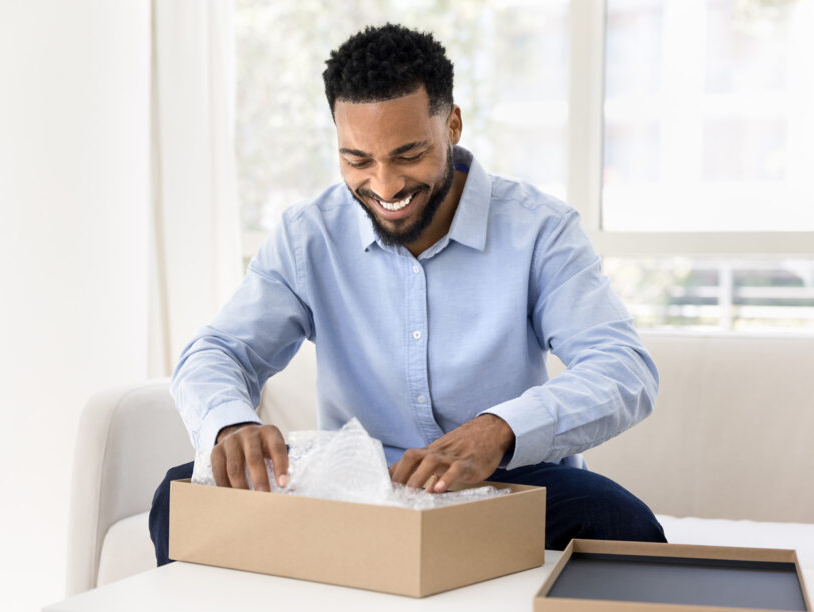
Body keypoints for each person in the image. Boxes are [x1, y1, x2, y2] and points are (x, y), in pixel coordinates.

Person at [149, 23, 666, 566]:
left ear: (453, 126)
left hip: (503, 482)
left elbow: (622, 369)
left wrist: (501, 430)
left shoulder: (540, 230)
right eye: (358, 160)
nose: (386, 185)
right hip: (356, 492)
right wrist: (232, 423)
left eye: (408, 154)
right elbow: (217, 352)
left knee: (619, 521)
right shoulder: (309, 236)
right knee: (178, 498)